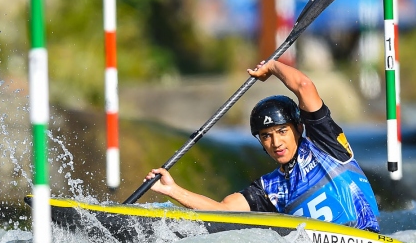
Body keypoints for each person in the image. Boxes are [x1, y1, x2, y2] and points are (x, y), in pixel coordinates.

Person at [145, 59, 381, 231]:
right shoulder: (270, 188)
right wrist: (173, 190)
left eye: (281, 131)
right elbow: (223, 211)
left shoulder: (325, 144)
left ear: (298, 128)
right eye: (266, 136)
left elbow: (304, 87)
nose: (276, 142)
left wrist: (273, 66)